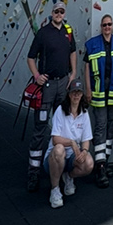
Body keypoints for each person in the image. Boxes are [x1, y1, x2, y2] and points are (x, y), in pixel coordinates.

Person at [26, 1, 77, 192]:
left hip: (63, 84)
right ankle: (33, 170)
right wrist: (37, 76)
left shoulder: (68, 31)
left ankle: (62, 166)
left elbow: (73, 52)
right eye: (56, 11)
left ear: (64, 13)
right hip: (46, 86)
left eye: (62, 11)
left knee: (63, 127)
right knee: (40, 127)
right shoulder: (43, 33)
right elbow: (31, 57)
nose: (59, 14)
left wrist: (72, 73)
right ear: (52, 12)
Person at [83, 13, 113, 187]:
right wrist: (88, 89)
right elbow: (86, 67)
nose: (107, 27)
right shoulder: (92, 44)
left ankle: (104, 160)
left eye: (109, 24)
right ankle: (100, 167)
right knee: (100, 127)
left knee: (110, 127)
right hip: (98, 93)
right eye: (104, 25)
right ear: (101, 27)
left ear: (112, 26)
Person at [44, 77, 94, 209]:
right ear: (69, 94)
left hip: (72, 156)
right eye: (73, 92)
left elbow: (86, 139)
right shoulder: (60, 111)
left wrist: (84, 151)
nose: (76, 95)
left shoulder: (84, 113)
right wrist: (71, 143)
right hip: (54, 157)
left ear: (82, 94)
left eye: (79, 92)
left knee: (88, 163)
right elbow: (55, 139)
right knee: (59, 149)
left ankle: (68, 176)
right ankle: (54, 189)